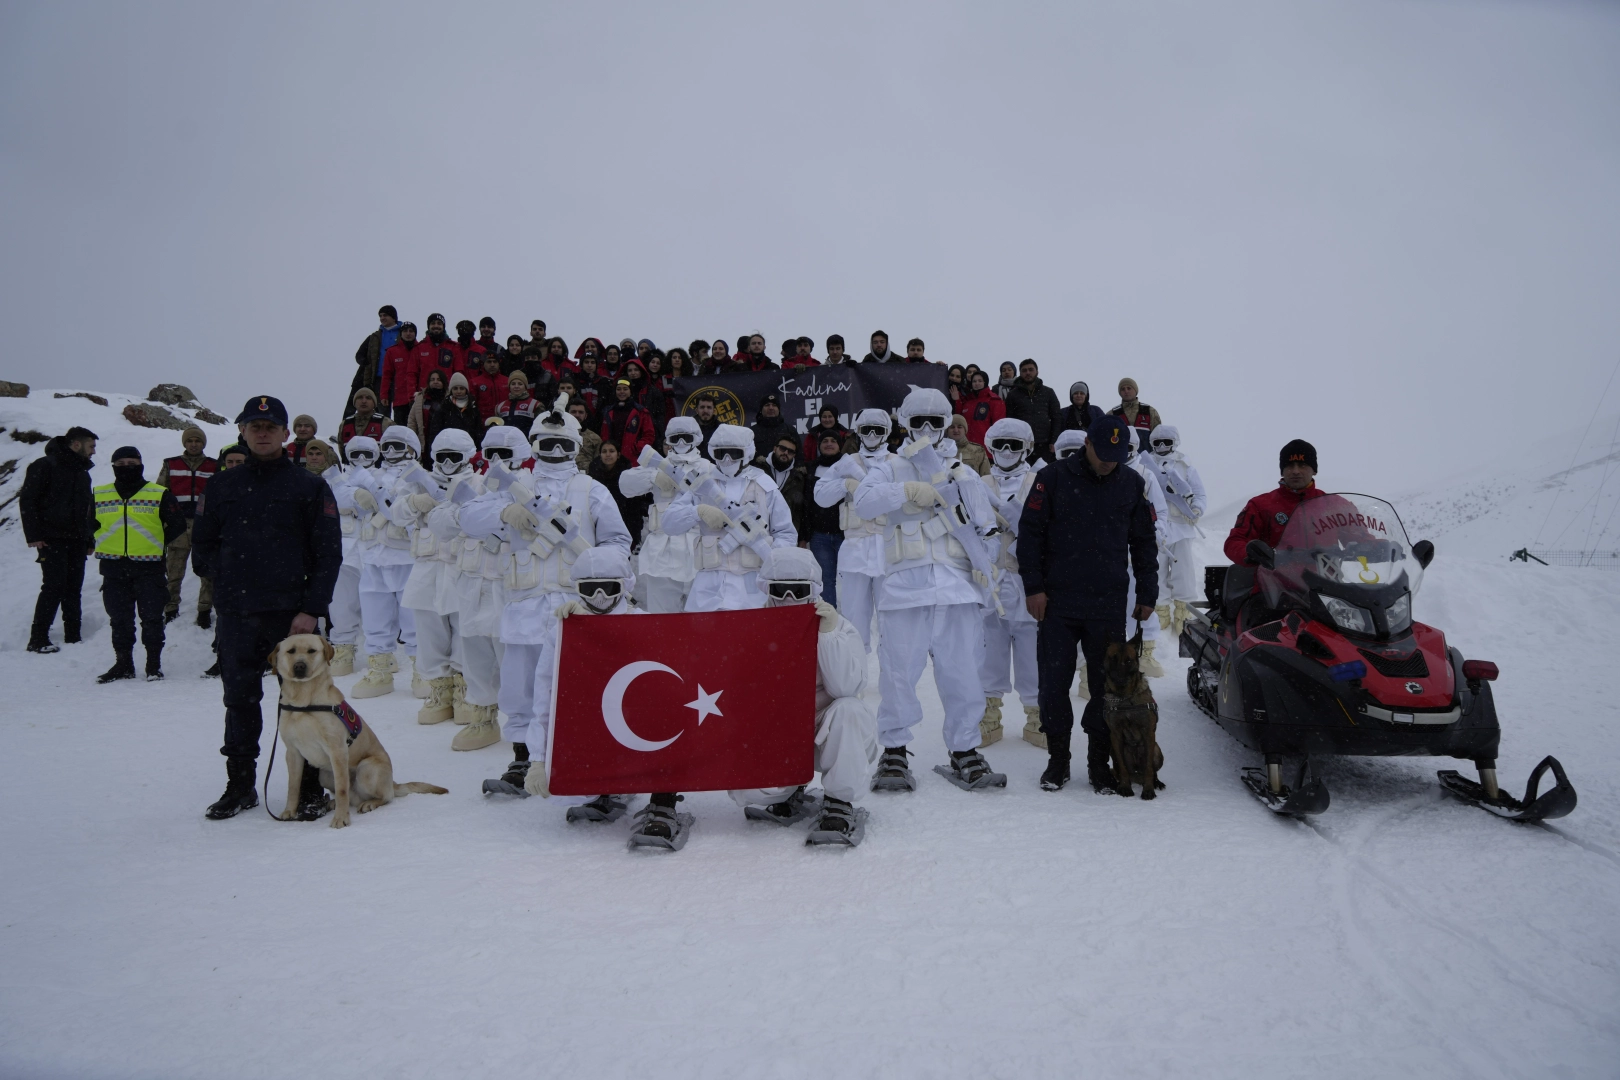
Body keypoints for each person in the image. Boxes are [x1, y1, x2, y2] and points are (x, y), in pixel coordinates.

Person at [458, 404, 631, 782]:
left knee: (579, 687)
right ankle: (523, 759)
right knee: (519, 691)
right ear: (534, 445)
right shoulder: (514, 487)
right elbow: (468, 519)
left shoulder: (592, 490)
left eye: (561, 444)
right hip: (522, 605)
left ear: (574, 446)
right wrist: (504, 515)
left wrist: (602, 568)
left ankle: (581, 754)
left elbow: (619, 541)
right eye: (546, 443)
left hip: (577, 609)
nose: (554, 452)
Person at [193, 395, 342, 820]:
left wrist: (311, 609)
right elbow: (201, 546)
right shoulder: (222, 485)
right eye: (254, 426)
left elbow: (328, 553)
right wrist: (226, 579)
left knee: (306, 702)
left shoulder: (309, 486)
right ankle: (239, 785)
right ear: (241, 430)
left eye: (270, 426)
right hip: (238, 612)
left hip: (291, 617)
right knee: (239, 699)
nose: (262, 433)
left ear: (284, 433)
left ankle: (311, 788)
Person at [852, 387, 1004, 792]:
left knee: (963, 673)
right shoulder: (888, 469)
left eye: (934, 423)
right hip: (905, 588)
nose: (925, 430)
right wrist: (905, 491)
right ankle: (895, 751)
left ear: (946, 425)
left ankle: (965, 750)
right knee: (898, 674)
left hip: (957, 590)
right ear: (905, 423)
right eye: (917, 422)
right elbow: (864, 504)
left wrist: (985, 570)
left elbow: (987, 530)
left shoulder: (963, 473)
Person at [1017, 415, 1159, 794]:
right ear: (1088, 444)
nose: (1110, 461)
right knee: (1053, 684)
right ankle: (1058, 761)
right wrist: (1033, 588)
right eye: (1104, 453)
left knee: (1106, 687)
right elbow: (1029, 536)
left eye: (1119, 454)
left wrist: (1148, 592)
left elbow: (1144, 542)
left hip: (1107, 603)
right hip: (1057, 601)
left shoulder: (1132, 484)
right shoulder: (1052, 477)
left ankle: (1099, 763)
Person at [720, 548, 881, 846]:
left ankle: (839, 802)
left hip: (829, 732)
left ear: (815, 590)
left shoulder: (839, 627)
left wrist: (828, 635)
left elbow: (846, 688)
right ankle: (789, 789)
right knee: (748, 792)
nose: (790, 600)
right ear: (766, 588)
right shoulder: (749, 630)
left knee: (849, 709)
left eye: (799, 591)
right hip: (778, 733)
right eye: (781, 591)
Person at [513, 545, 643, 817]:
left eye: (608, 587)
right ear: (576, 589)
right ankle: (603, 788)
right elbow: (545, 692)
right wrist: (538, 758)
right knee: (562, 787)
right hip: (591, 722)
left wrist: (601, 634)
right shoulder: (563, 631)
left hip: (639, 722)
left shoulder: (645, 624)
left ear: (625, 584)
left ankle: (660, 796)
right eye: (590, 589)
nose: (599, 597)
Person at [661, 424, 796, 611]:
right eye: (721, 453)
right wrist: (697, 511)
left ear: (747, 453)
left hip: (753, 585)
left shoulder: (764, 486)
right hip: (709, 586)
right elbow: (669, 523)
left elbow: (786, 533)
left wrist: (767, 551)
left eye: (733, 453)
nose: (727, 460)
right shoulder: (702, 483)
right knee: (704, 638)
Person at [92, 447, 186, 683]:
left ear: (141, 464)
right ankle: (123, 664)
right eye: (121, 463)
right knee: (120, 621)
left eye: (131, 462)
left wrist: (157, 544)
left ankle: (153, 665)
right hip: (113, 568)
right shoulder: (99, 494)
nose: (126, 467)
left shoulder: (159, 493)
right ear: (113, 466)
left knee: (152, 620)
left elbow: (177, 524)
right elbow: (87, 524)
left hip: (149, 568)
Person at [978, 418, 1042, 747]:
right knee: (991, 652)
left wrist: (1026, 525)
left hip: (1026, 581)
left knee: (1032, 653)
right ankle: (989, 714)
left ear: (1026, 447)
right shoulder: (978, 482)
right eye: (999, 444)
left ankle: (1037, 715)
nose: (1005, 451)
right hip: (990, 583)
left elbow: (1052, 529)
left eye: (1014, 445)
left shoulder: (1039, 481)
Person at [349, 426, 423, 698]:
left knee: (413, 618)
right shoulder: (371, 475)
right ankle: (379, 670)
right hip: (374, 556)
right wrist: (357, 494)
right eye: (386, 447)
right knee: (374, 617)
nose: (391, 453)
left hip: (407, 557)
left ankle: (422, 672)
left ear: (412, 448)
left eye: (398, 447)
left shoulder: (417, 476)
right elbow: (341, 490)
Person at [812, 408, 891, 651]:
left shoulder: (897, 462)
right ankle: (854, 673)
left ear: (886, 432)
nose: (872, 435)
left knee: (892, 617)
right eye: (867, 430)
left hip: (889, 547)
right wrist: (844, 483)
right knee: (854, 615)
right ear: (858, 432)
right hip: (855, 545)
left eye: (878, 430)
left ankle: (893, 680)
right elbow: (820, 496)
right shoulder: (846, 462)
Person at [618, 416, 707, 613]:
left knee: (702, 621)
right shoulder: (659, 466)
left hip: (700, 551)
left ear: (696, 439)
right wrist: (653, 475)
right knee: (663, 620)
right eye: (676, 439)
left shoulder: (708, 468)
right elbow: (624, 485)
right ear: (668, 441)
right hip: (662, 554)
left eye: (686, 438)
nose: (681, 444)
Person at [21, 425, 97, 653]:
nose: (93, 451)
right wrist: (34, 535)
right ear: (76, 444)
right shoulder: (44, 465)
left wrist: (88, 538)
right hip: (51, 538)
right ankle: (38, 639)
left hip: (77, 539)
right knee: (53, 586)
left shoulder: (83, 472)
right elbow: (28, 501)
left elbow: (87, 510)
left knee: (74, 588)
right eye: (91, 446)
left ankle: (73, 636)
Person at [323, 434, 377, 676]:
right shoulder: (337, 480)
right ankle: (343, 647)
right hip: (345, 550)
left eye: (367, 454)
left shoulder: (383, 478)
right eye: (356, 454)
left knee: (379, 605)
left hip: (377, 549)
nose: (361, 460)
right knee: (341, 602)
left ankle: (380, 652)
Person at [1224, 439, 1326, 566]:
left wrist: (1357, 546)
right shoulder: (1260, 505)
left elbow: (1356, 534)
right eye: (1289, 466)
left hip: (1328, 582)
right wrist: (1251, 554)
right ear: (1282, 471)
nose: (1295, 471)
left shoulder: (1335, 505)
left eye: (1302, 465)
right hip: (1273, 582)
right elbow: (1235, 541)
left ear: (1314, 470)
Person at [1147, 425, 1207, 636]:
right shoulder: (1146, 466)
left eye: (1167, 442)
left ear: (1175, 443)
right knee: (1157, 570)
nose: (1162, 447)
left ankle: (1183, 611)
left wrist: (1197, 508)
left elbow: (1199, 492)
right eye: (1157, 443)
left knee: (1184, 571)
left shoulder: (1185, 465)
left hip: (1181, 525)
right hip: (1157, 526)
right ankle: (1160, 611)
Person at [156, 425, 217, 628]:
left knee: (207, 572)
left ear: (203, 443)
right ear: (184, 443)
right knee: (173, 571)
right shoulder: (171, 464)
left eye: (197, 441)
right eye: (190, 441)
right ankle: (170, 608)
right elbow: (160, 494)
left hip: (204, 526)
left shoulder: (213, 466)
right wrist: (165, 520)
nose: (193, 444)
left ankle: (204, 610)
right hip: (178, 526)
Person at [802, 432, 846, 607]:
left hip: (846, 535)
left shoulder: (849, 467)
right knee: (826, 580)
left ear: (840, 445)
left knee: (851, 580)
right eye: (825, 441)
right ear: (819, 445)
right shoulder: (811, 469)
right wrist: (805, 535)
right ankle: (831, 619)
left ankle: (853, 619)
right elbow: (806, 503)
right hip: (820, 536)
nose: (829, 444)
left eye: (833, 441)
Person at [1002, 358, 1062, 461]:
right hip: (1021, 445)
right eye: (1024, 370)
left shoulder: (1048, 392)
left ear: (1037, 372)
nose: (1028, 373)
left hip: (1045, 445)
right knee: (1023, 476)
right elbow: (1009, 421)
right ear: (1020, 373)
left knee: (1045, 475)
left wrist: (1054, 440)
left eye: (1031, 369)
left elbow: (1057, 417)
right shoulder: (1013, 395)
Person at [591, 439, 648, 546]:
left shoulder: (628, 476)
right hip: (600, 523)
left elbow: (634, 508)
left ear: (618, 455)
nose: (608, 454)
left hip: (623, 522)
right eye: (604, 451)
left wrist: (633, 534)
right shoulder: (594, 474)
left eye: (611, 451)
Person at [350, 305, 401, 410]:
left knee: (397, 410)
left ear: (393, 317)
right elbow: (359, 355)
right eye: (380, 316)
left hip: (397, 379)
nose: (382, 318)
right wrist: (368, 364)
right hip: (377, 378)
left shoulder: (404, 334)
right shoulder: (375, 337)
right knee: (379, 410)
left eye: (385, 315)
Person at [600, 377, 656, 461]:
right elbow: (604, 435)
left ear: (630, 392)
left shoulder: (641, 412)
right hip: (611, 458)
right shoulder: (608, 412)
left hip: (632, 458)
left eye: (625, 389)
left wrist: (637, 448)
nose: (622, 392)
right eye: (618, 389)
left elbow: (649, 435)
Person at [379, 322, 420, 425]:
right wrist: (384, 395)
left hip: (419, 399)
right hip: (400, 399)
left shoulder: (421, 349)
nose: (408, 333)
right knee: (401, 429)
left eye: (411, 331)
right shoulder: (392, 352)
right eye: (405, 331)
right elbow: (387, 375)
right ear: (400, 333)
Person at [955, 369, 1005, 447]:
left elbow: (999, 427)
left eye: (980, 381)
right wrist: (957, 400)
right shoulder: (968, 402)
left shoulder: (994, 400)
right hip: (967, 448)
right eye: (974, 381)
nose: (977, 383)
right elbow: (959, 419)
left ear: (985, 382)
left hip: (985, 449)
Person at [432, 372, 484, 447]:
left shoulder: (473, 406)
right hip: (449, 446)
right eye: (455, 388)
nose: (458, 391)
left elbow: (478, 430)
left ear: (466, 390)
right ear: (451, 390)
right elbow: (435, 429)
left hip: (469, 446)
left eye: (462, 388)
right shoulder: (444, 406)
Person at [1110, 378, 1163, 444]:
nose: (1126, 391)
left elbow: (1159, 437)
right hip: (1121, 454)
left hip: (1146, 454)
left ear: (1135, 390)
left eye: (1129, 388)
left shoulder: (1149, 411)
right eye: (1123, 389)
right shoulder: (1112, 414)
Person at [409, 369, 448, 452]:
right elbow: (412, 421)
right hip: (424, 441)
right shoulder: (421, 398)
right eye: (432, 379)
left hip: (443, 442)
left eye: (439, 379)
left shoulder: (449, 399)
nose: (435, 382)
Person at [468, 351, 509, 420]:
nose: (492, 365)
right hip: (483, 422)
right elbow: (472, 406)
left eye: (495, 362)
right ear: (483, 364)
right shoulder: (474, 382)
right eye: (489, 362)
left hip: (505, 420)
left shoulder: (507, 381)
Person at [498, 370, 540, 436]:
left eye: (520, 384)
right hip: (506, 444)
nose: (516, 386)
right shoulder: (500, 406)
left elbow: (539, 428)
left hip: (527, 443)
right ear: (509, 386)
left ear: (525, 387)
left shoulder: (536, 405)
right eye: (513, 384)